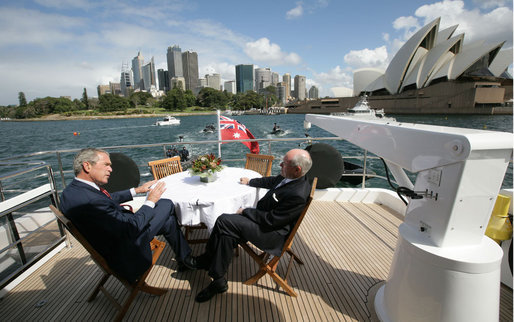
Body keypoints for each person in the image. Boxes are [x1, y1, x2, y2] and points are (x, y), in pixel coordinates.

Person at [59, 148, 195, 283]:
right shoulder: (91, 200)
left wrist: (137, 190)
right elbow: (132, 227)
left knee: (168, 220)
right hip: (127, 248)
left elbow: (107, 199)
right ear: (87, 166)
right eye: (106, 165)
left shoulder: (71, 192)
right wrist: (150, 201)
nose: (111, 169)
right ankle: (186, 257)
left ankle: (184, 259)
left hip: (113, 239)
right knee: (166, 204)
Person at [193, 148, 313, 302]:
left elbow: (272, 220)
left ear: (297, 169)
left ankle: (207, 259)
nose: (280, 164)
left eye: (285, 163)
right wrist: (250, 181)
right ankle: (218, 280)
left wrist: (245, 211)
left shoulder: (297, 194)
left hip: (272, 234)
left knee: (224, 220)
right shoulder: (293, 177)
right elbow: (272, 181)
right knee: (227, 233)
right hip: (267, 222)